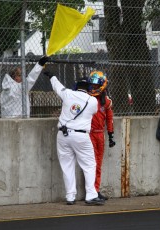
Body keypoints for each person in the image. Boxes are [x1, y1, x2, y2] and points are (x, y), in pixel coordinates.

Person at [43, 70, 105, 206]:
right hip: (81, 136)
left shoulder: (68, 94)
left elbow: (57, 85)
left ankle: (70, 196)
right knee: (89, 165)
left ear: (76, 86)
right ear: (89, 88)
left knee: (67, 166)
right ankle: (91, 195)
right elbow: (94, 112)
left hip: (63, 135)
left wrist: (51, 75)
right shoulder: (92, 101)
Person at [87, 70, 115, 200]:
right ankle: (91, 191)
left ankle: (96, 190)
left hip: (100, 135)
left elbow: (109, 119)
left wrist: (111, 135)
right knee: (91, 164)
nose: (94, 88)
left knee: (98, 164)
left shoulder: (107, 102)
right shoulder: (86, 98)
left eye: (97, 86)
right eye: (92, 86)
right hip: (88, 134)